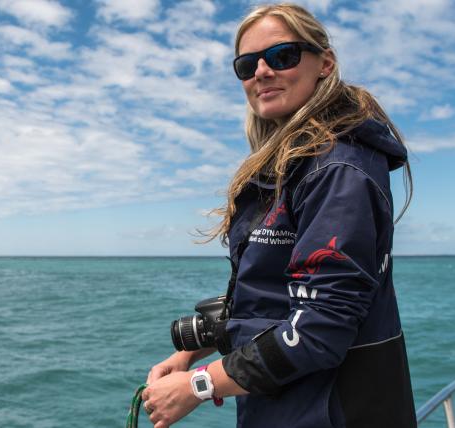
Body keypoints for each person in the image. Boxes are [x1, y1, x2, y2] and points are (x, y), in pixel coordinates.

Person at [141, 3, 416, 428]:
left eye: (282, 56)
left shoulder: (339, 170)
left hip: (334, 412)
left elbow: (318, 330)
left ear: (324, 63)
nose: (262, 72)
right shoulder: (292, 166)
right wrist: (189, 354)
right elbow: (272, 295)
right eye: (248, 65)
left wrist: (199, 385)